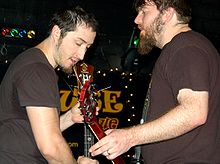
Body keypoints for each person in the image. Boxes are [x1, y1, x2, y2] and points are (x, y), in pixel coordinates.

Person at [89, 0, 220, 163]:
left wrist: (129, 137)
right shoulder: (183, 47)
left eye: (144, 12)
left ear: (167, 14)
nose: (137, 19)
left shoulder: (185, 47)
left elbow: (194, 112)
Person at [0, 6, 99, 164]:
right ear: (57, 33)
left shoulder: (32, 62)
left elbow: (35, 130)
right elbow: (51, 148)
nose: (82, 55)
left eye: (87, 47)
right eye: (78, 43)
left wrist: (70, 118)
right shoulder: (38, 69)